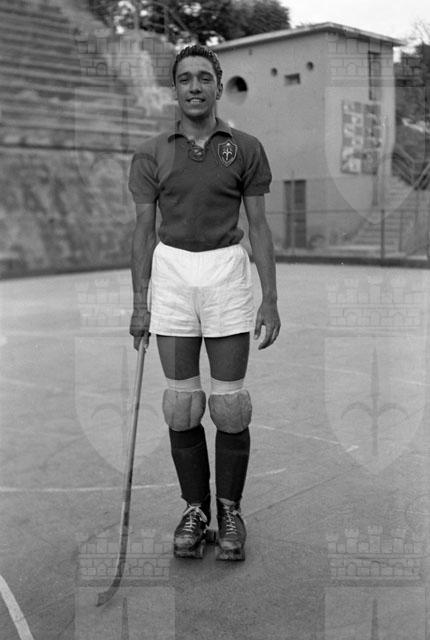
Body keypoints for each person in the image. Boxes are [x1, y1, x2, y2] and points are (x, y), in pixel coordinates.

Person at [128, 44, 280, 560]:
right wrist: (140, 302)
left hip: (225, 272)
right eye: (184, 78)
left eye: (203, 77)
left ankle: (230, 510)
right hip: (171, 273)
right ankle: (195, 510)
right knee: (182, 405)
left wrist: (270, 298)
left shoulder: (246, 147)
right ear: (174, 89)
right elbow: (143, 231)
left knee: (230, 406)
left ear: (217, 85)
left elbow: (259, 226)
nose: (194, 86)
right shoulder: (151, 152)